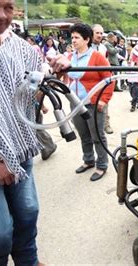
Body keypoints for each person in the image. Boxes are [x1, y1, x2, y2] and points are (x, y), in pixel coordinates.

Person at [0, 0, 44, 264]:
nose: (1, 15)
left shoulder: (16, 44)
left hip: (19, 147)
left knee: (28, 215)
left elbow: (38, 70)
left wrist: (54, 66)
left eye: (8, 7)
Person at [49, 23, 115, 181]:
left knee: (97, 136)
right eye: (72, 37)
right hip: (76, 104)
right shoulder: (70, 57)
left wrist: (103, 100)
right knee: (84, 135)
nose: (73, 40)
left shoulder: (97, 57)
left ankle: (102, 165)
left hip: (93, 103)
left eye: (77, 37)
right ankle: (88, 160)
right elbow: (64, 76)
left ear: (87, 39)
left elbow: (109, 79)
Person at [91, 24, 114, 134]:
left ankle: (106, 124)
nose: (99, 35)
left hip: (102, 80)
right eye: (97, 33)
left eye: (101, 33)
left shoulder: (103, 47)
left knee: (104, 102)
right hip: (90, 80)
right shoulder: (86, 47)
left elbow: (106, 61)